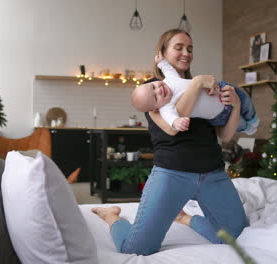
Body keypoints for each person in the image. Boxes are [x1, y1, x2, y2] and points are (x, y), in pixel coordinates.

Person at [91, 29, 249, 256]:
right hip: (172, 174)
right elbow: (173, 127)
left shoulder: (203, 88)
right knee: (136, 248)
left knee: (238, 237)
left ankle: (185, 218)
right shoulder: (153, 90)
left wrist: (235, 106)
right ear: (163, 52)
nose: (186, 53)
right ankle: (111, 216)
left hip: (213, 174)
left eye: (190, 48)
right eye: (179, 47)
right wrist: (195, 84)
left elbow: (224, 136)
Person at [131, 54, 259, 134]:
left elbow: (167, 69)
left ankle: (253, 118)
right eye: (155, 97)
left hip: (221, 89)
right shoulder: (166, 108)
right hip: (220, 114)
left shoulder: (169, 79)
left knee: (244, 99)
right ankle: (249, 128)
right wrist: (177, 122)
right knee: (240, 123)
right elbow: (171, 120)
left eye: (153, 86)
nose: (158, 90)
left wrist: (161, 62)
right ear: (155, 108)